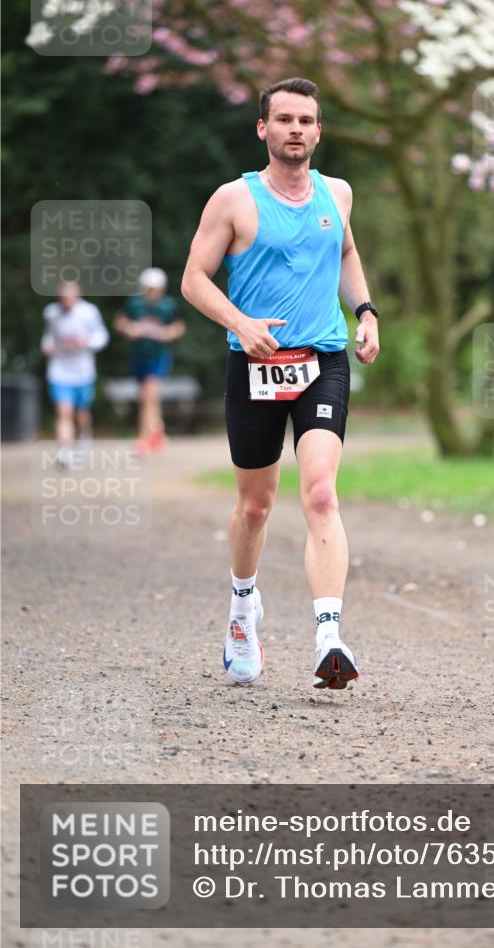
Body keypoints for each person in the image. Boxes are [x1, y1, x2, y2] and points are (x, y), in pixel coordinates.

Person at [181, 77, 380, 690]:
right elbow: (194, 279)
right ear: (263, 129)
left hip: (322, 360)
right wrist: (239, 323)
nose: (296, 129)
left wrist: (366, 312)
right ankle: (244, 608)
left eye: (307, 120)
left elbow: (345, 253)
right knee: (255, 504)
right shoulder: (233, 201)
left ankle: (328, 637)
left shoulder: (337, 193)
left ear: (319, 131)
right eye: (284, 119)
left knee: (320, 493)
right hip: (255, 367)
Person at [114, 267, 186, 455]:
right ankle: (157, 432)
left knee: (149, 397)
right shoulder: (135, 304)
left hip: (158, 356)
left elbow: (179, 326)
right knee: (147, 399)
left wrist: (167, 334)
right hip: (138, 356)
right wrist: (130, 328)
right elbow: (120, 322)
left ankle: (143, 440)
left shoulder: (168, 305)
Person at [41, 279, 109, 467]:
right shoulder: (51, 313)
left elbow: (102, 337)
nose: (66, 301)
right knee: (64, 411)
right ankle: (64, 453)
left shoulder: (89, 312)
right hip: (59, 371)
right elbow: (47, 338)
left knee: (81, 413)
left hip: (83, 372)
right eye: (63, 298)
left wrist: (86, 342)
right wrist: (47, 347)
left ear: (77, 296)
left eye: (70, 298)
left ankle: (84, 437)